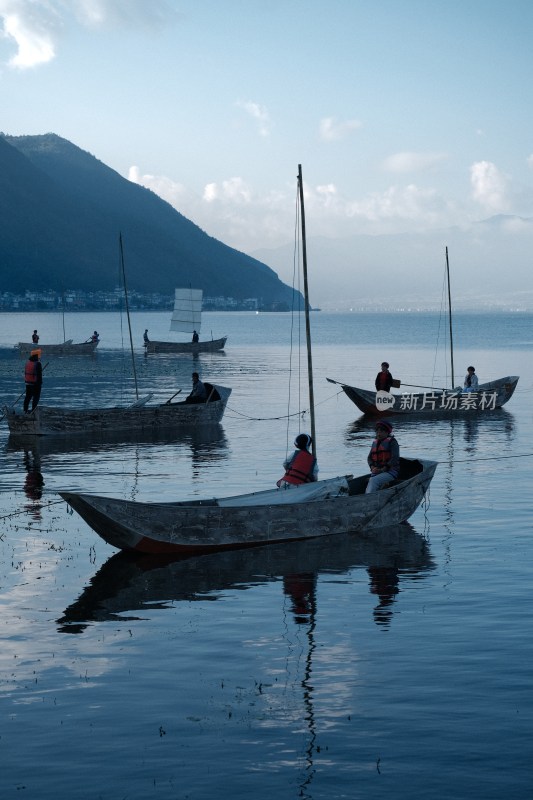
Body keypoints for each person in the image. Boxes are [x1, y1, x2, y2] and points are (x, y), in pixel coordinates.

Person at [365, 420, 400, 493]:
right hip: (377, 471)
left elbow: (395, 457)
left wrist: (383, 469)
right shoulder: (375, 443)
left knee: (373, 480)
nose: (378, 434)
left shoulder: (392, 442)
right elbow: (369, 458)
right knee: (370, 481)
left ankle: (368, 498)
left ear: (387, 432)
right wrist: (372, 467)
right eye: (377, 432)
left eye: (381, 431)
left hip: (390, 472)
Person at [23, 349, 43, 413]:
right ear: (37, 356)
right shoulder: (38, 364)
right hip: (35, 384)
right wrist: (40, 383)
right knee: (36, 398)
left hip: (28, 383)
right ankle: (33, 411)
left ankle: (25, 410)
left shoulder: (28, 363)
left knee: (28, 397)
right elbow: (39, 376)